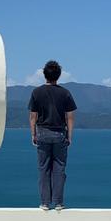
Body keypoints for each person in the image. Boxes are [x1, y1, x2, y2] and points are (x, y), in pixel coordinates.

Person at [27, 60, 77, 211]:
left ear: (44, 75)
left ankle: (44, 203)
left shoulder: (36, 92)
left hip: (42, 133)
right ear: (59, 76)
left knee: (43, 169)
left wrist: (33, 134)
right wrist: (69, 136)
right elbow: (70, 117)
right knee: (59, 169)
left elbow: (32, 117)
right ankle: (58, 203)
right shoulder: (65, 93)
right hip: (60, 134)